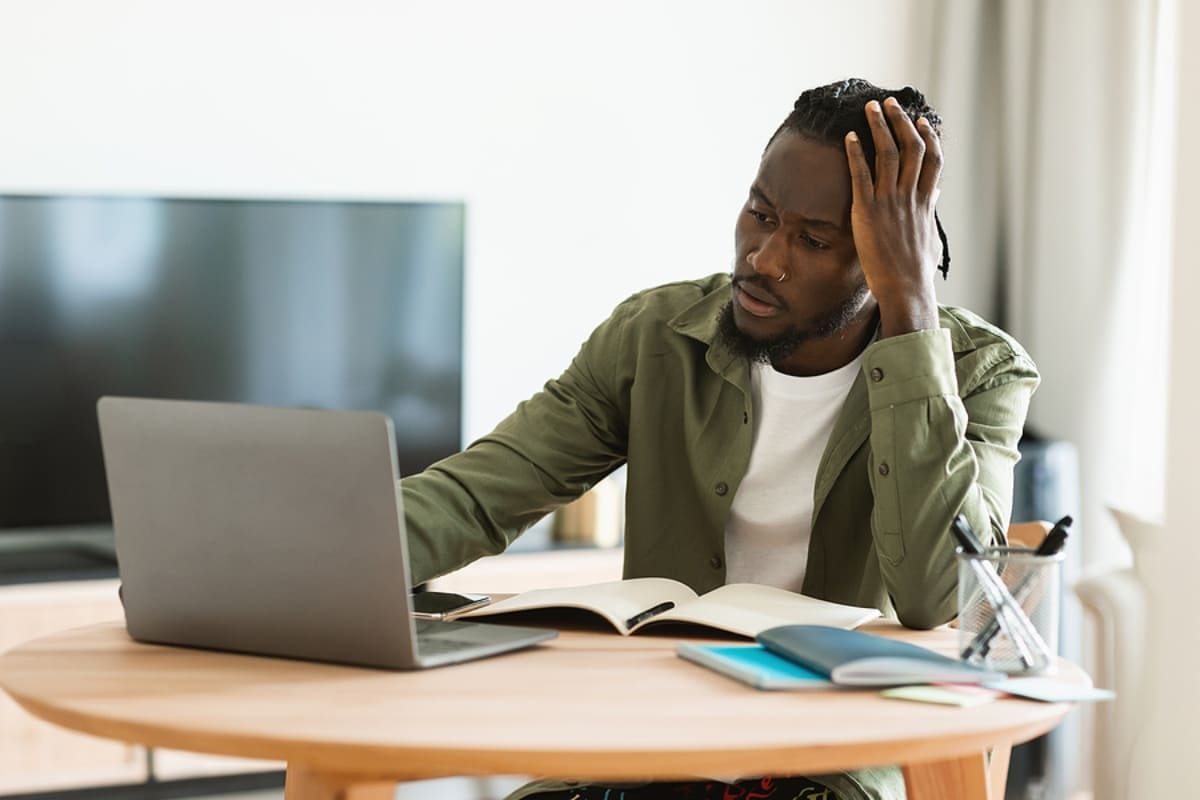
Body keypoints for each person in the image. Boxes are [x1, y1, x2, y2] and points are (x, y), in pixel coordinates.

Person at [401, 78, 1039, 800]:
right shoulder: (655, 338)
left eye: (815, 239)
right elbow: (478, 496)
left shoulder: (978, 373)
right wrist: (317, 560)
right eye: (759, 214)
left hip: (834, 760)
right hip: (659, 743)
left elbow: (936, 594)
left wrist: (912, 312)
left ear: (893, 256)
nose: (764, 258)